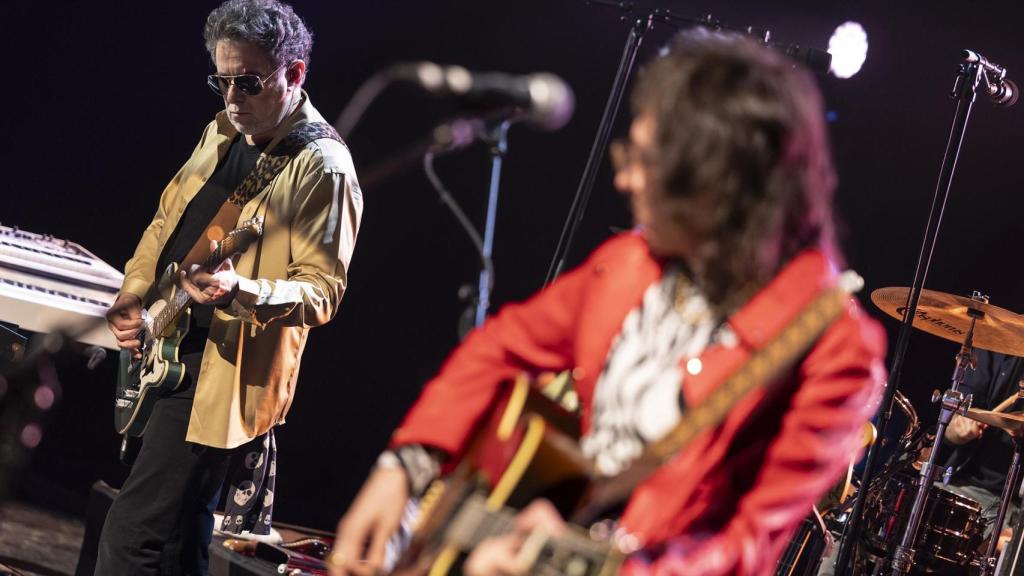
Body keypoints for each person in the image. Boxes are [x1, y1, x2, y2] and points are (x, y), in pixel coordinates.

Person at [331, 30, 885, 576]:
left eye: (645, 161)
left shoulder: (833, 349)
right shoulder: (630, 263)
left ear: (716, 187)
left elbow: (745, 547)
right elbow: (499, 347)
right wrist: (406, 464)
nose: (624, 178)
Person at [97, 0, 363, 574]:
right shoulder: (221, 127)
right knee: (176, 538)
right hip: (167, 346)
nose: (232, 99)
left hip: (220, 372)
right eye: (223, 80)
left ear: (295, 74)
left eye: (249, 82)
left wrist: (241, 290)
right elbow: (166, 220)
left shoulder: (324, 166)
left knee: (133, 534)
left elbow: (322, 292)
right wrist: (134, 292)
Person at [944, 349, 1024, 548]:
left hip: (1014, 508)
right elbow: (949, 431)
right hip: (962, 483)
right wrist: (957, 429)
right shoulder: (996, 344)